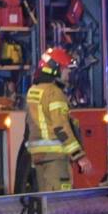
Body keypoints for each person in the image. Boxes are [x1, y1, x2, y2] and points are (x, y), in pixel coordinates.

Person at [21, 52, 84, 193]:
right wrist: (79, 155)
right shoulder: (55, 93)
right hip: (55, 158)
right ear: (56, 70)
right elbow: (61, 128)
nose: (68, 75)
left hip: (38, 156)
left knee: (45, 203)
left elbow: (28, 126)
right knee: (59, 204)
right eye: (66, 70)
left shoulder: (33, 91)